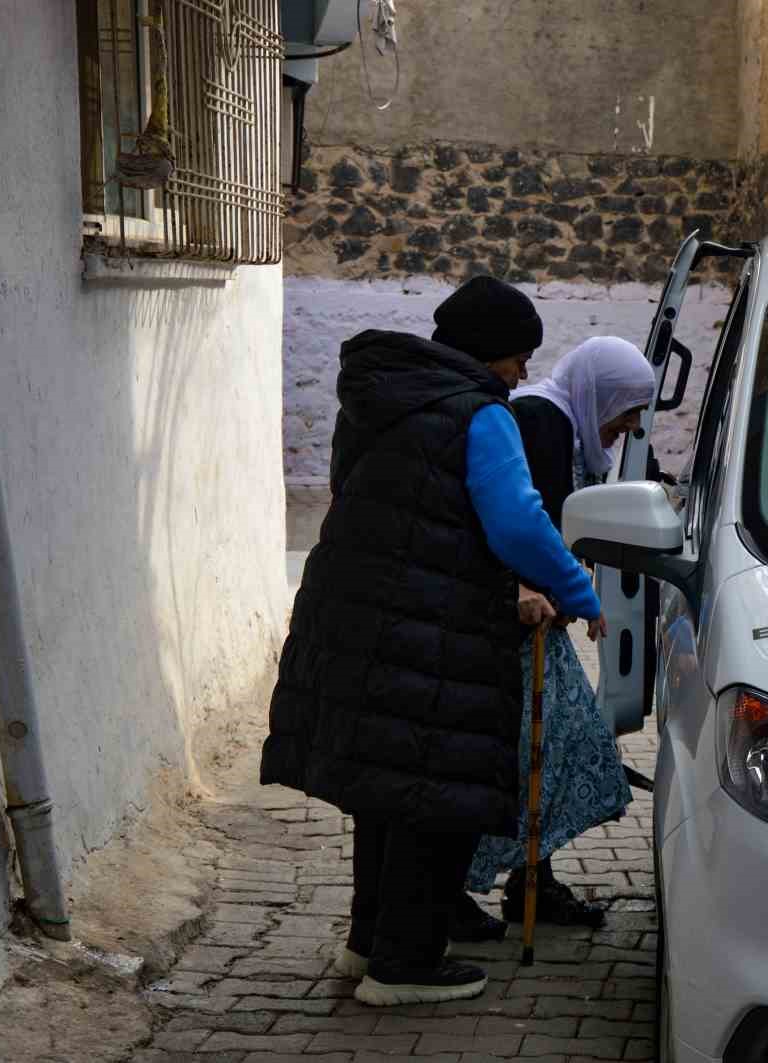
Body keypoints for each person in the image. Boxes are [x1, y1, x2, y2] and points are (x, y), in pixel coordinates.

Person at [259, 276, 604, 1007]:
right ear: (489, 352)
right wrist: (577, 590)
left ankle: (369, 940)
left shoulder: (381, 398)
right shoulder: (480, 415)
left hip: (355, 614)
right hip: (435, 626)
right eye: (517, 357)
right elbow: (515, 522)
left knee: (384, 788)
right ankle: (406, 964)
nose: (520, 374)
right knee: (435, 793)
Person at [465, 337, 656, 928]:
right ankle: (507, 884)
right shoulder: (540, 419)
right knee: (538, 749)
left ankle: (533, 880)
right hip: (513, 623)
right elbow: (509, 517)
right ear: (600, 394)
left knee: (552, 748)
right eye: (625, 410)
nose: (626, 427)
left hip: (538, 621)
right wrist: (525, 585)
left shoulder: (561, 423)